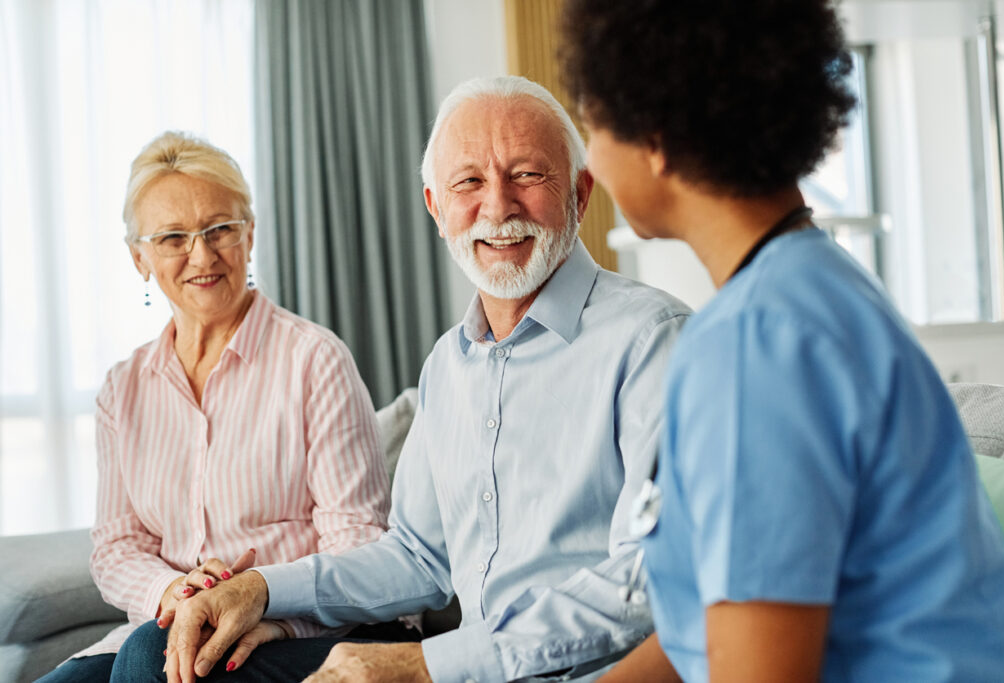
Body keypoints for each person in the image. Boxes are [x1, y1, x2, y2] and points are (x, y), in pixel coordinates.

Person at [125, 76, 692, 683]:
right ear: (436, 208)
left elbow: (653, 575)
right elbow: (417, 558)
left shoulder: (652, 338)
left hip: (583, 673)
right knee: (155, 653)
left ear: (580, 193)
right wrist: (259, 591)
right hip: (464, 671)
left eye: (528, 175)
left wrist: (426, 664)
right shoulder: (450, 365)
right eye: (468, 182)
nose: (498, 207)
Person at [559, 1, 1004, 681]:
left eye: (591, 127)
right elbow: (708, 630)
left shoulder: (754, 347)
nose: (591, 163)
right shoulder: (819, 280)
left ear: (654, 134)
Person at [36, 132, 393, 682]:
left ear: (249, 236)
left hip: (300, 627)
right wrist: (175, 592)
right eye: (173, 237)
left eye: (219, 229)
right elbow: (117, 547)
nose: (201, 255)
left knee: (147, 660)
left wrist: (268, 610)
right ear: (140, 258)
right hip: (172, 617)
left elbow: (359, 545)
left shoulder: (315, 360)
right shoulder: (123, 388)